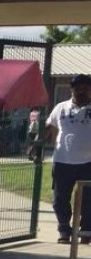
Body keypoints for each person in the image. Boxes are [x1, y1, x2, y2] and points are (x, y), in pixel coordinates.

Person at [43, 74, 91, 244]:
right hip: (62, 160)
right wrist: (37, 137)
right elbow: (49, 126)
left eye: (85, 88)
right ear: (72, 89)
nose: (82, 91)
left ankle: (86, 231)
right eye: (78, 87)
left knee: (88, 199)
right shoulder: (60, 108)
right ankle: (64, 230)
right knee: (60, 198)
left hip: (88, 163)